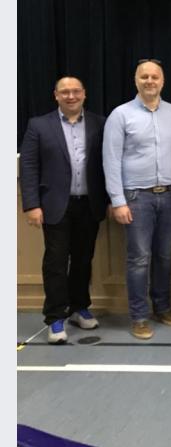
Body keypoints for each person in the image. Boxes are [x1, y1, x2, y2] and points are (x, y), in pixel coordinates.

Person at [19, 76, 107, 344]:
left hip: (89, 203)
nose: (71, 96)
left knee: (83, 259)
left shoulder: (99, 123)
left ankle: (79, 307)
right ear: (56, 95)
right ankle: (55, 317)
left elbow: (108, 162)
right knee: (56, 262)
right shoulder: (39, 125)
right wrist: (32, 204)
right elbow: (29, 167)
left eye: (76, 91)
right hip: (55, 206)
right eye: (65, 92)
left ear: (84, 94)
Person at [103, 59, 171, 340]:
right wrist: (118, 200)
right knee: (139, 259)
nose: (150, 81)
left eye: (155, 77)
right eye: (144, 77)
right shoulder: (120, 115)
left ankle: (162, 307)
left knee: (164, 256)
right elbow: (111, 160)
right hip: (136, 198)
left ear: (163, 81)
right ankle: (139, 316)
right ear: (135, 80)